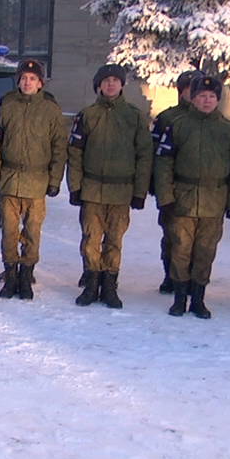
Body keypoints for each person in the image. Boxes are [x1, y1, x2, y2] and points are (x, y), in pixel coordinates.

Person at [153, 75, 230, 318]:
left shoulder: (227, 130)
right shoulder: (179, 126)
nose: (207, 100)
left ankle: (198, 299)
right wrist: (166, 197)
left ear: (218, 100)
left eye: (212, 97)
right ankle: (180, 298)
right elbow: (164, 164)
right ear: (192, 99)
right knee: (181, 250)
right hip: (183, 199)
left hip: (214, 202)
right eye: (201, 96)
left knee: (205, 251)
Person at [67, 64, 153, 308]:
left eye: (115, 80)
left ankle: (110, 287)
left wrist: (139, 192)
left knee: (114, 240)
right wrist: (75, 187)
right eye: (106, 81)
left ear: (122, 85)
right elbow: (74, 153)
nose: (111, 84)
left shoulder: (134, 117)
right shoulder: (87, 115)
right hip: (92, 190)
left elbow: (144, 155)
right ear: (98, 86)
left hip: (121, 191)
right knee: (91, 240)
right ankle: (91, 284)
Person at [0, 58, 67, 300]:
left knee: (32, 231)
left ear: (40, 83)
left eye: (32, 79)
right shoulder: (6, 105)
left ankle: (26, 275)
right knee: (9, 232)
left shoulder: (50, 109)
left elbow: (59, 147)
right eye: (23, 78)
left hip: (37, 181)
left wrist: (54, 180)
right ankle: (10, 275)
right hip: (10, 179)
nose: (27, 82)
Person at [151, 69, 203, 293]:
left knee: (199, 241)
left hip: (202, 192)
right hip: (173, 188)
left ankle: (191, 278)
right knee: (172, 236)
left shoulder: (214, 120)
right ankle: (170, 275)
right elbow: (155, 153)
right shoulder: (167, 118)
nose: (191, 94)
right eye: (187, 89)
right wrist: (157, 187)